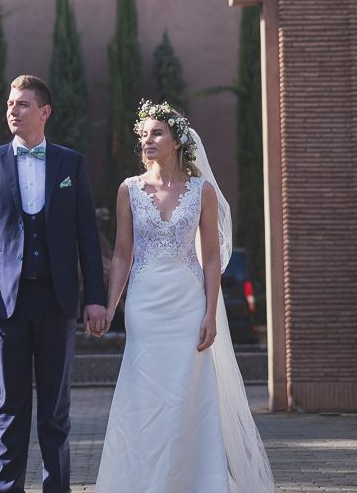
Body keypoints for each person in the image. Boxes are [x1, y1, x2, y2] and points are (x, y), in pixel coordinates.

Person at [94, 99, 275, 493]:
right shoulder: (128, 190)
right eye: (143, 135)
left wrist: (210, 312)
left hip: (188, 303)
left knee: (187, 393)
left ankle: (195, 482)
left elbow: (211, 258)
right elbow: (123, 253)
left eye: (156, 133)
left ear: (176, 139)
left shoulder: (201, 191)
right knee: (145, 391)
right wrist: (111, 306)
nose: (147, 141)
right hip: (144, 304)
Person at [0, 74, 107, 493]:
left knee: (55, 411)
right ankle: (9, 489)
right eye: (10, 103)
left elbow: (86, 236)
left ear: (44, 112)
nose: (13, 110)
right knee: (11, 407)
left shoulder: (71, 163)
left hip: (58, 300)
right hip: (7, 304)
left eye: (23, 104)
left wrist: (94, 300)